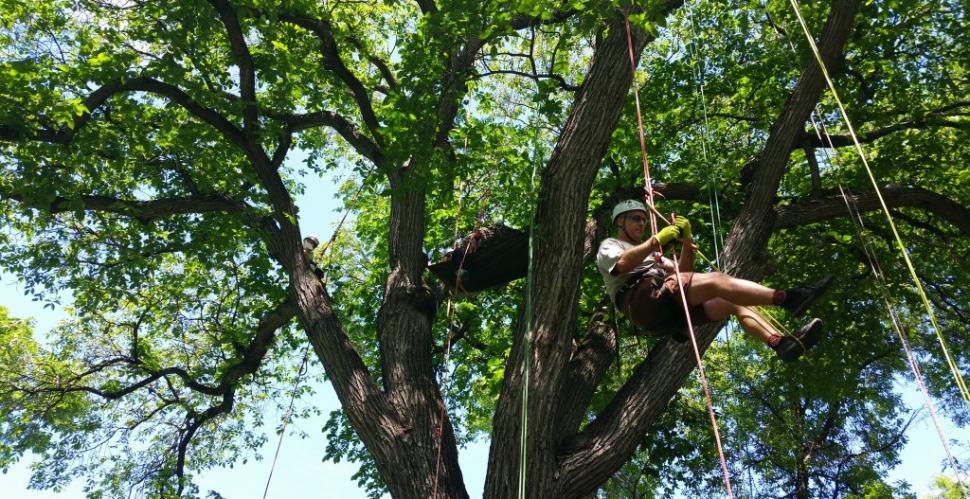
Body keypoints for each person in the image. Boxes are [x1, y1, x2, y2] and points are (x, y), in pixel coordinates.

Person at [596, 200, 831, 361]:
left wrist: (687, 243)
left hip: (666, 311)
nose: (641, 224)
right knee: (717, 280)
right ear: (620, 222)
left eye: (644, 220)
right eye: (636, 219)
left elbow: (683, 273)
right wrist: (655, 241)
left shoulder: (652, 255)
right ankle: (789, 298)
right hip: (643, 301)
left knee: (733, 301)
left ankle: (779, 344)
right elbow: (622, 265)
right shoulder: (611, 245)